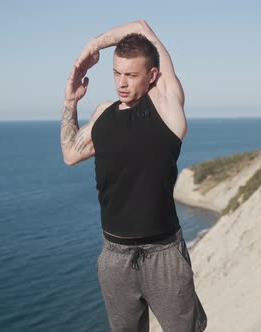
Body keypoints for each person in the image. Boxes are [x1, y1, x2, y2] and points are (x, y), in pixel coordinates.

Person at [60, 20, 207, 331]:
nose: (121, 83)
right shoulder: (103, 114)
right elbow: (71, 153)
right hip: (114, 256)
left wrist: (95, 43)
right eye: (116, 73)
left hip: (164, 253)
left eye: (130, 74)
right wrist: (71, 101)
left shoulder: (166, 106)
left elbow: (142, 27)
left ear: (152, 75)